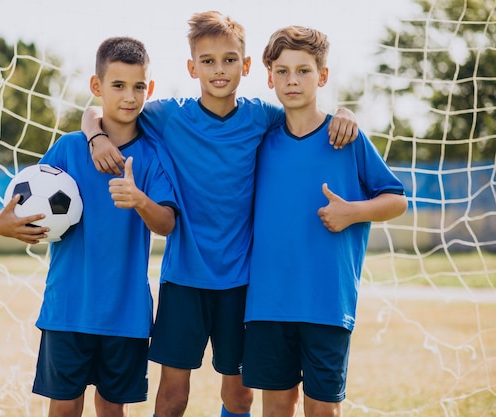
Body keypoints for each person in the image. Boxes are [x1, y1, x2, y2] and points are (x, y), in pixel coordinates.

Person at [82, 12, 358, 417]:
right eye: (207, 61)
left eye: (229, 59)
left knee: (240, 395)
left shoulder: (262, 117)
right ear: (192, 67)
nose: (219, 70)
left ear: (246, 66)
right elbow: (101, 108)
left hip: (242, 282)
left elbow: (307, 112)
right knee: (173, 394)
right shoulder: (169, 116)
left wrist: (346, 112)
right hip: (184, 279)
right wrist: (95, 135)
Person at [0, 36, 178, 417]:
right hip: (68, 308)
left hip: (125, 314)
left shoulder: (153, 155)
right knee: (63, 408)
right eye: (118, 85)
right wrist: (3, 224)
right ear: (97, 87)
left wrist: (138, 199)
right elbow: (17, 209)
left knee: (112, 410)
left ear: (150, 88)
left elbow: (167, 224)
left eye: (138, 86)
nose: (130, 96)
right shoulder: (68, 149)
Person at [242, 26, 408, 417]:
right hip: (267, 303)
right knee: (276, 409)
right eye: (282, 71)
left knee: (322, 411)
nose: (292, 80)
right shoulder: (260, 139)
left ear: (323, 76)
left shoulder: (346, 138)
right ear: (269, 77)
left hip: (326, 303)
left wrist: (355, 211)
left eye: (303, 70)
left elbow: (396, 200)